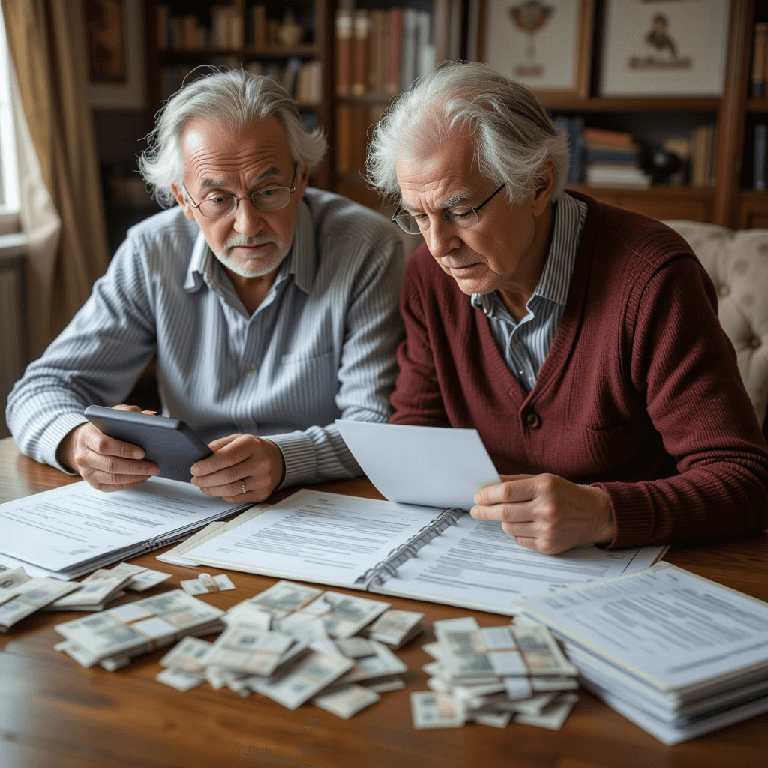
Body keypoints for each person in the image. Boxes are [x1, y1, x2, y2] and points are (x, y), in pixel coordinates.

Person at [366, 61, 768, 555]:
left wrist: (603, 512)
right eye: (418, 216)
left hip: (638, 564)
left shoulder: (653, 279)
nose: (438, 245)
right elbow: (416, 443)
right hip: (491, 557)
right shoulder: (430, 279)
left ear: (536, 184)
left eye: (460, 210)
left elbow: (744, 482)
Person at [6, 68, 405, 502]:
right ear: (183, 200)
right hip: (186, 504)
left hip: (323, 504)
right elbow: (38, 390)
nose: (248, 225)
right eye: (218, 199)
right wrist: (79, 441)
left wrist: (286, 457)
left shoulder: (366, 247)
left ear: (302, 177)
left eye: (269, 190)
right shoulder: (151, 252)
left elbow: (373, 424)